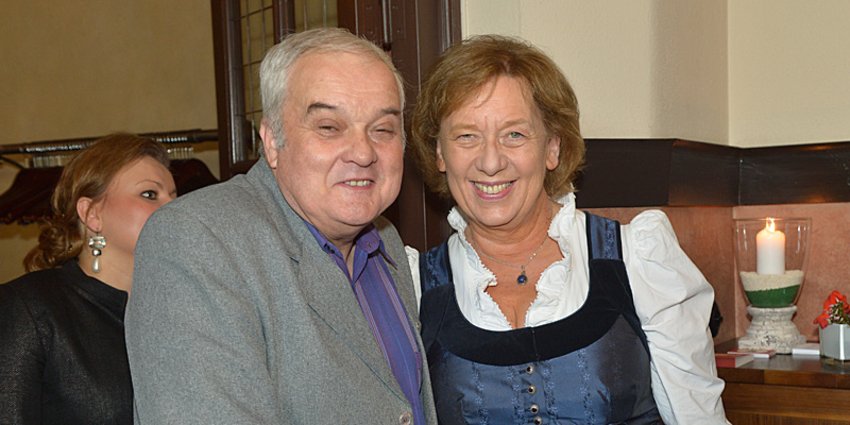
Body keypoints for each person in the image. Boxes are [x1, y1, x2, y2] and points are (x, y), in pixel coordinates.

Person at [407, 35, 729, 424]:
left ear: (553, 148)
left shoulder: (637, 262)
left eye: (514, 134)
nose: (490, 162)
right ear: (440, 153)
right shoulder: (413, 289)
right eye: (466, 136)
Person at [125, 28, 436, 424]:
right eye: (329, 127)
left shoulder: (384, 239)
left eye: (383, 129)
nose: (362, 152)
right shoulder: (195, 240)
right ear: (272, 141)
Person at [0, 134, 176, 424]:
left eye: (174, 195)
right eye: (150, 194)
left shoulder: (180, 311)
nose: (173, 209)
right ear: (92, 214)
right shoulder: (28, 308)